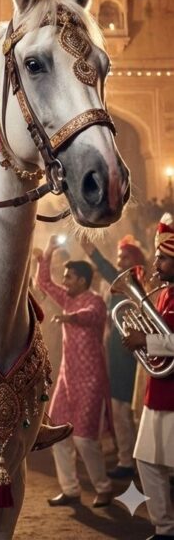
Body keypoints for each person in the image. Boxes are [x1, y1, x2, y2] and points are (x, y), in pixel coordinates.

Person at [36, 235, 114, 508]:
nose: (64, 281)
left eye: (68, 277)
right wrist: (46, 252)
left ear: (82, 280)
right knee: (57, 433)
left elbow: (90, 316)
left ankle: (103, 488)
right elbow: (43, 283)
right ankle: (70, 489)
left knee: (84, 438)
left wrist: (70, 318)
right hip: (67, 379)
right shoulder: (68, 299)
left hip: (91, 381)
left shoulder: (95, 302)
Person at [122, 213, 174, 540]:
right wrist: (139, 335)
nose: (156, 264)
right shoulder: (165, 293)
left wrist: (147, 340)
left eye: (162, 258)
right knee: (147, 461)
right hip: (157, 391)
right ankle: (165, 528)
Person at [81, 233, 146, 478]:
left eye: (125, 257)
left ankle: (147, 463)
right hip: (117, 355)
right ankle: (126, 461)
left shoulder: (139, 285)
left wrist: (93, 253)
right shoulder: (117, 287)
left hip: (137, 357)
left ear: (136, 260)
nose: (120, 262)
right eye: (119, 257)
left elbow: (109, 272)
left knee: (136, 412)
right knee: (118, 410)